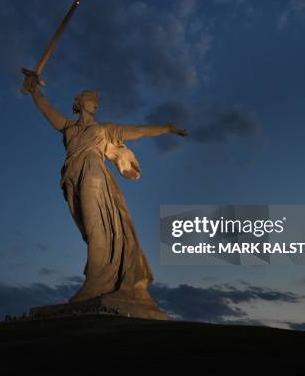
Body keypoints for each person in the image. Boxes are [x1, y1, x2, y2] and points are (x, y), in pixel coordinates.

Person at [23, 74, 187, 303]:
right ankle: (100, 279)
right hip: (70, 177)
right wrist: (34, 90)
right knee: (88, 230)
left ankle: (96, 281)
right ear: (79, 103)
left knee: (94, 226)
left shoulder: (104, 130)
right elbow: (47, 110)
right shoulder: (68, 127)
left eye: (96, 102)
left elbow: (138, 130)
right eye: (91, 100)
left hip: (93, 172)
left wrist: (166, 128)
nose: (96, 104)